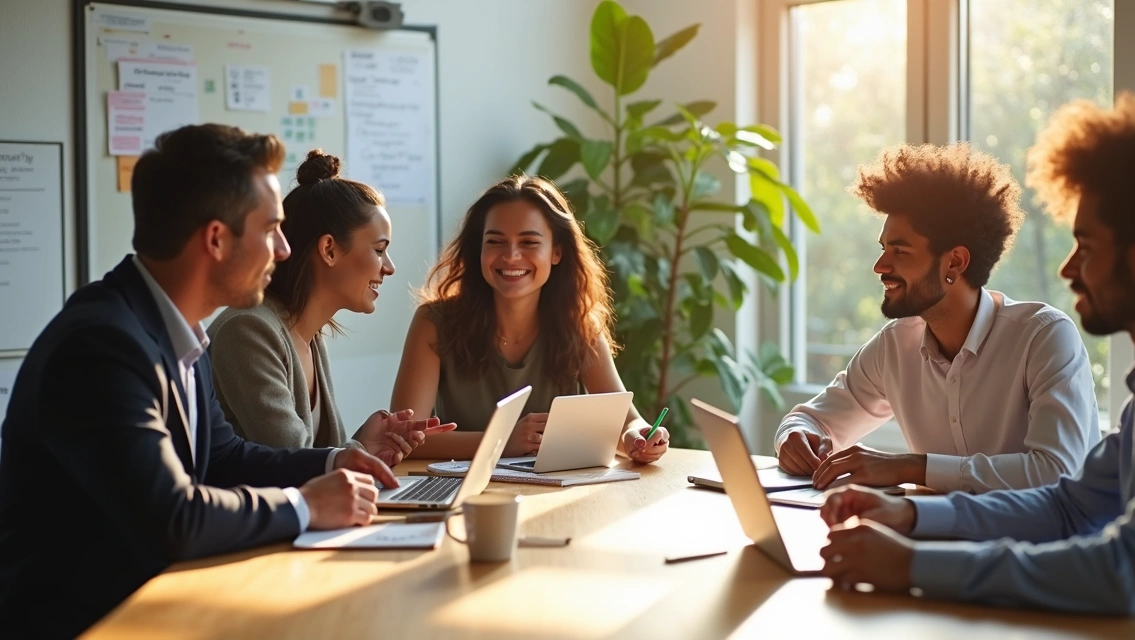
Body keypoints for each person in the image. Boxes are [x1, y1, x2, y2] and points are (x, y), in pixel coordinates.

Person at [816, 91, 1135, 639]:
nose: (1069, 268)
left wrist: (912, 565)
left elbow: (1127, 570)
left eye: (1086, 246)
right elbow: (1069, 507)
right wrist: (910, 518)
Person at [0, 125, 402, 637]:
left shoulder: (179, 331)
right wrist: (306, 503)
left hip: (164, 606)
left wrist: (330, 460)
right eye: (271, 229)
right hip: (92, 623)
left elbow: (223, 456)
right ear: (216, 239)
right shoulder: (101, 345)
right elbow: (173, 517)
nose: (283, 249)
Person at [775, 143, 1100, 493]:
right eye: (883, 249)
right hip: (941, 537)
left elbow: (1057, 472)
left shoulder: (1043, 337)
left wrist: (910, 467)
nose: (880, 267)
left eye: (900, 251)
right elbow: (810, 418)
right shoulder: (895, 345)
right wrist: (794, 437)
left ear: (954, 263)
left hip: (1046, 544)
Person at [390, 175, 668, 463]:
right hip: (465, 496)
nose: (511, 256)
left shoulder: (580, 325)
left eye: (529, 242)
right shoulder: (434, 323)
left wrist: (639, 438)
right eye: (495, 241)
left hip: (557, 494)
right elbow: (404, 437)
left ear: (556, 252)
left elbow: (626, 422)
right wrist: (501, 440)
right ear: (479, 251)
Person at [208, 150, 454, 465]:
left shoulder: (309, 335)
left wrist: (363, 446)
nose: (388, 267)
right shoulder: (248, 330)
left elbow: (318, 461)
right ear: (329, 249)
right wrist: (355, 453)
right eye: (379, 250)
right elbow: (293, 463)